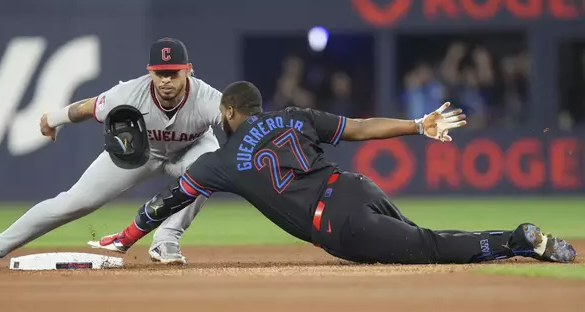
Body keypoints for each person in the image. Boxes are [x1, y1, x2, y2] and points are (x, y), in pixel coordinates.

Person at [88, 81, 577, 265]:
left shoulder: (219, 161)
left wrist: (126, 237)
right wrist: (416, 125)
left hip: (339, 225)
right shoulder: (297, 116)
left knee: (428, 245)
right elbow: (361, 128)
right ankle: (516, 241)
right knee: (412, 236)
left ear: (231, 111)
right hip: (355, 187)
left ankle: (516, 240)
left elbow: (167, 201)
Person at [0, 38, 223, 268]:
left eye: (173, 73)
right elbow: (89, 108)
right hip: (141, 151)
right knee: (72, 203)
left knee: (207, 168)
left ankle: (166, 241)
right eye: (159, 73)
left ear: (188, 70)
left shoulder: (208, 98)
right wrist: (54, 118)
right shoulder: (129, 93)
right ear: (149, 71)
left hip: (192, 148)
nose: (165, 80)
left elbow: (242, 127)